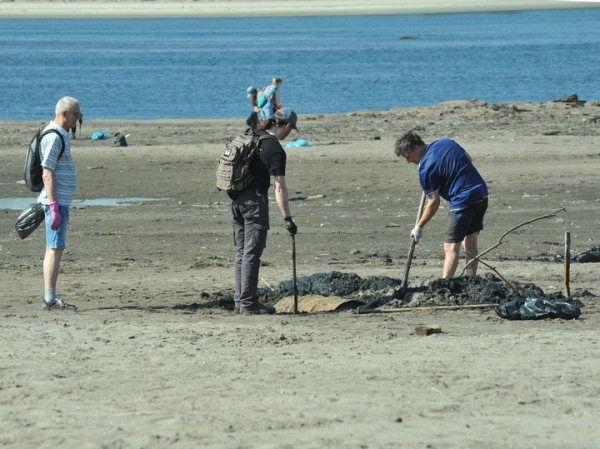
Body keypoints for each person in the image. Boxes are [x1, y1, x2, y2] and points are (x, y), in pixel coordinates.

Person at [230, 107, 299, 314]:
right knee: (252, 252)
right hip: (254, 203)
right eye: (291, 129)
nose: (290, 133)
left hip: (235, 200)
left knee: (242, 251)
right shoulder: (275, 149)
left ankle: (240, 301)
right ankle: (249, 304)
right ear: (287, 126)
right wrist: (288, 218)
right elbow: (280, 188)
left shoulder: (254, 136)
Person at [394, 131, 488, 278]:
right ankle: (471, 279)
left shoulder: (425, 169)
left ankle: (445, 284)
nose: (408, 161)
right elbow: (468, 158)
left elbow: (434, 201)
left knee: (450, 247)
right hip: (481, 194)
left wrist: (419, 227)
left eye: (408, 156)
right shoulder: (445, 142)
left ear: (417, 148)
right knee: (470, 242)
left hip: (462, 201)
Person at [39, 96, 81, 309]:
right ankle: (49, 298)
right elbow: (47, 173)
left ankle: (50, 296)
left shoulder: (60, 134)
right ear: (65, 114)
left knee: (55, 248)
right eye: (76, 115)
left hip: (60, 201)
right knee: (54, 248)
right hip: (55, 202)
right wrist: (54, 207)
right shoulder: (54, 137)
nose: (78, 119)